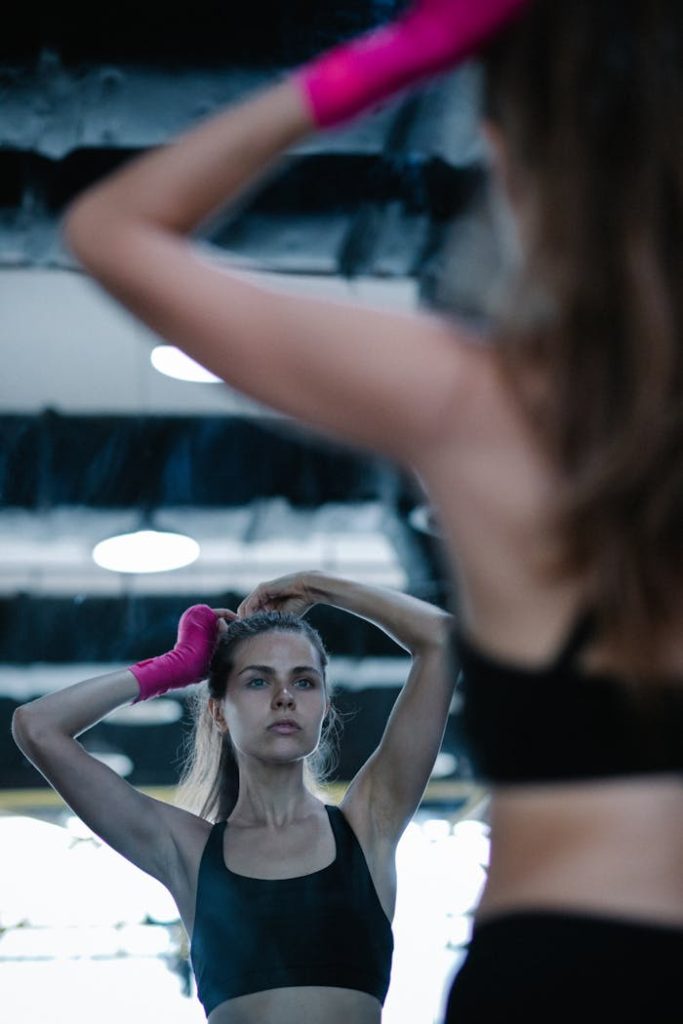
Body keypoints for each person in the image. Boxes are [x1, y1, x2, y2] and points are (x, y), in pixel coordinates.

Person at [60, 0, 682, 1019]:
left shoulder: (479, 401)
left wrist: (388, 61)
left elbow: (110, 230)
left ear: (506, 157)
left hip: (564, 956)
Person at [12, 571, 453, 1023]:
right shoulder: (188, 852)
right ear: (219, 711)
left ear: (324, 704)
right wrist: (173, 667)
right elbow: (37, 727)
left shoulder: (368, 824)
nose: (284, 697)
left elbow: (441, 639)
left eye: (303, 681)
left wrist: (316, 587)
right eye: (258, 682)